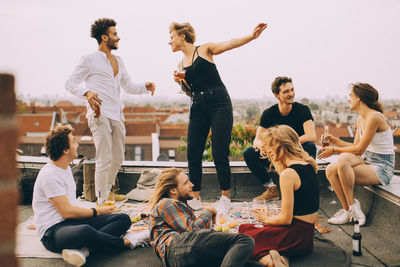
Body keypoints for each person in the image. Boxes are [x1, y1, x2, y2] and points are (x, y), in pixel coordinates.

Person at [168, 22, 267, 211]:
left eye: (171, 37)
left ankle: (225, 197)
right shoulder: (180, 65)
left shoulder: (204, 49)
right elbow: (190, 92)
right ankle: (194, 197)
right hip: (197, 105)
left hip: (219, 102)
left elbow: (230, 43)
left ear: (182, 36)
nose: (169, 41)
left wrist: (251, 36)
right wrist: (181, 83)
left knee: (219, 151)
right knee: (193, 152)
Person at [65, 18, 155, 206]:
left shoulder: (119, 61)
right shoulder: (88, 60)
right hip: (99, 114)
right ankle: (102, 200)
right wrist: (87, 92)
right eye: (115, 34)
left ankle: (108, 192)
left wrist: (145, 86)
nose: (118, 37)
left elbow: (128, 85)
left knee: (118, 157)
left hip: (117, 114)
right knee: (104, 157)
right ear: (104, 37)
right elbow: (70, 83)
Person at [32, 125, 139, 266]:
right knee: (85, 231)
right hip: (52, 233)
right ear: (65, 150)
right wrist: (95, 212)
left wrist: (96, 214)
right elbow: (67, 212)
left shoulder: (65, 168)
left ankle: (83, 250)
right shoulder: (50, 175)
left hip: (70, 224)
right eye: (74, 141)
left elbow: (70, 208)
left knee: (123, 219)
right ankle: (121, 243)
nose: (78, 144)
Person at [148, 168, 264, 267]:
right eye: (186, 182)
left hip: (185, 255)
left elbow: (200, 236)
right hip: (177, 247)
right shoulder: (166, 203)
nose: (192, 185)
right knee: (244, 240)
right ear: (173, 190)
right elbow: (193, 231)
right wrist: (208, 211)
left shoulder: (179, 207)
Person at [239, 125, 319, 267]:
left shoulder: (288, 174)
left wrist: (266, 218)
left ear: (283, 144)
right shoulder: (308, 164)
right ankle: (281, 255)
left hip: (295, 235)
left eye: (270, 145)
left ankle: (271, 262)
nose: (268, 151)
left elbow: (286, 219)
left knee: (243, 239)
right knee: (246, 228)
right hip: (306, 236)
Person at [318, 83, 395, 226]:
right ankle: (348, 210)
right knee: (330, 170)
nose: (348, 99)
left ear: (359, 98)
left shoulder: (374, 117)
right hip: (368, 162)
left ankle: (352, 206)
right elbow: (355, 146)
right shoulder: (361, 118)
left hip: (383, 167)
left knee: (343, 159)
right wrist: (334, 140)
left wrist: (334, 150)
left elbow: (359, 150)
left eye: (350, 96)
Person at [243, 76, 316, 201]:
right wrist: (262, 146)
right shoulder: (269, 113)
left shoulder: (303, 110)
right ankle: (271, 189)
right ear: (277, 95)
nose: (291, 94)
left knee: (310, 147)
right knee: (249, 152)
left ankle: (306, 187)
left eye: (292, 90)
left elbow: (311, 135)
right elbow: (257, 139)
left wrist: (287, 144)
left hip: (296, 153)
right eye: (286, 91)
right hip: (276, 155)